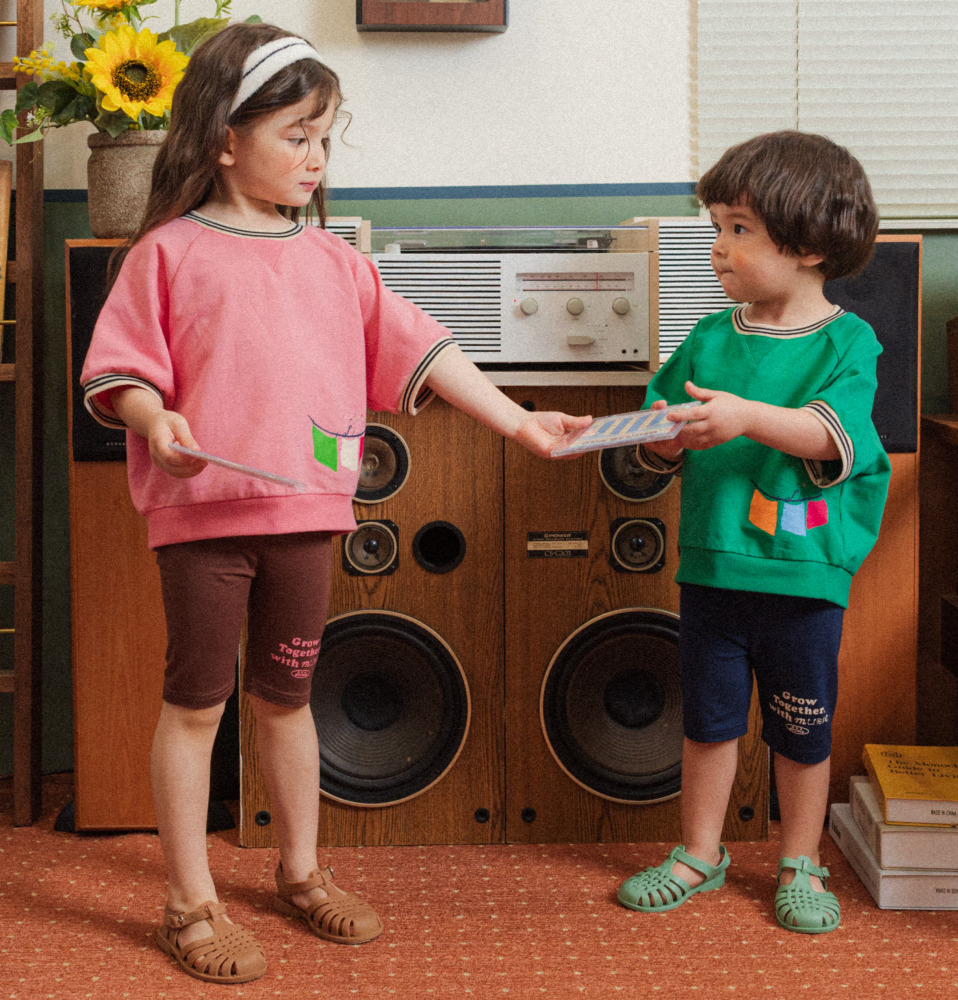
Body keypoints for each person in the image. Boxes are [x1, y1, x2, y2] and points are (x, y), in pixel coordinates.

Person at [80, 22, 590, 985]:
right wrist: (155, 422)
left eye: (325, 137)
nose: (315, 157)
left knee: (288, 699)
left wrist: (519, 421)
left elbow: (424, 350)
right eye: (296, 135)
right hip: (204, 523)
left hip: (308, 518)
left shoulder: (334, 261)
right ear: (224, 138)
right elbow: (120, 373)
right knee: (197, 706)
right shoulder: (166, 253)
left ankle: (301, 873)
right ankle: (189, 905)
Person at [616, 130, 889, 934]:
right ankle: (701, 852)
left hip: (802, 576)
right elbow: (659, 428)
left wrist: (740, 418)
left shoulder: (849, 342)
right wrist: (662, 435)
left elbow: (828, 435)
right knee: (709, 719)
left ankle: (800, 861)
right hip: (710, 567)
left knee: (802, 726)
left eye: (739, 228)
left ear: (806, 243)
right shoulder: (707, 335)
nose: (719, 245)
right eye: (716, 226)